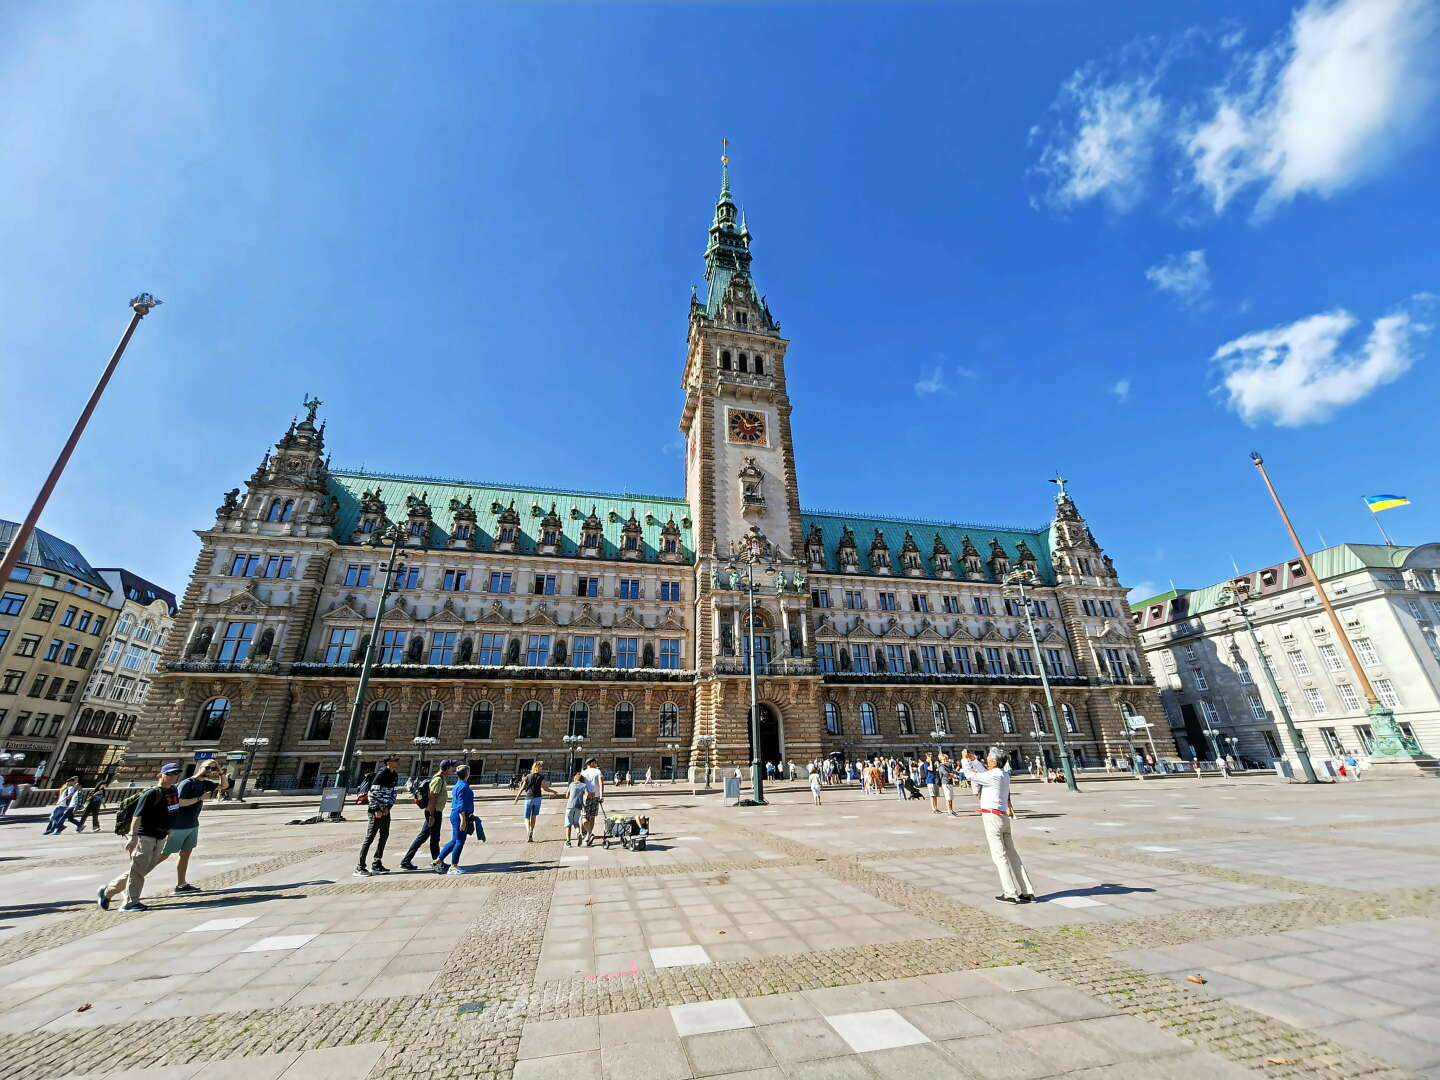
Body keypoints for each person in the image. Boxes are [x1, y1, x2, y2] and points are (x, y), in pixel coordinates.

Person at [98, 763, 202, 912]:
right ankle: (130, 903)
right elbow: (137, 816)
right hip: (145, 836)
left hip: (161, 836)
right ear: (161, 775)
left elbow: (172, 810)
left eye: (175, 775)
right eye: (170, 774)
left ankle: (108, 891)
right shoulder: (151, 793)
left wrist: (169, 829)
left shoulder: (173, 790)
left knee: (142, 869)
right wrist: (133, 837)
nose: (173, 777)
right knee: (138, 870)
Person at [961, 747, 1035, 905]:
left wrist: (965, 760)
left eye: (988, 757)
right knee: (1013, 855)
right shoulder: (1003, 774)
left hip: (992, 818)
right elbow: (984, 772)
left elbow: (970, 775)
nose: (986, 759)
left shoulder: (992, 775)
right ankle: (1027, 891)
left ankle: (1010, 893)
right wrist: (974, 759)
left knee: (999, 857)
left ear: (993, 762)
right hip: (1003, 818)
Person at [158, 758, 228, 893]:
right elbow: (179, 802)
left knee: (185, 854)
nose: (209, 770)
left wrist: (220, 772)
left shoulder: (205, 783)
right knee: (163, 855)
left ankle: (181, 885)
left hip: (192, 825)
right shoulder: (187, 783)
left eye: (212, 769)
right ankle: (134, 877)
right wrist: (200, 798)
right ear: (200, 767)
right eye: (207, 767)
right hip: (178, 826)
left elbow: (224, 786)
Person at [400, 759, 456, 871]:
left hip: (433, 811)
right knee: (434, 839)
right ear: (447, 768)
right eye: (452, 767)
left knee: (422, 837)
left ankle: (406, 861)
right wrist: (431, 816)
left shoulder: (441, 778)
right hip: (433, 812)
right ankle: (437, 862)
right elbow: (432, 798)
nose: (453, 769)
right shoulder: (438, 780)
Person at [355, 754, 400, 877]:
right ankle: (360, 867)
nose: (397, 762)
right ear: (388, 762)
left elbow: (393, 793)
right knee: (370, 838)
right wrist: (376, 809)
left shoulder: (394, 775)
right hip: (376, 812)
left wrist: (388, 807)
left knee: (384, 836)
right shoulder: (381, 774)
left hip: (385, 810)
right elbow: (372, 793)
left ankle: (376, 863)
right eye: (394, 760)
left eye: (397, 760)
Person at [438, 765, 476, 874]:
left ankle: (438, 860)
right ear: (467, 774)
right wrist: (463, 819)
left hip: (456, 814)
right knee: (459, 841)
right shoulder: (463, 786)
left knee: (455, 840)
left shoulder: (458, 785)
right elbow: (461, 804)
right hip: (460, 815)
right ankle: (453, 866)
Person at [513, 761, 560, 842]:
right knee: (534, 816)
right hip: (537, 798)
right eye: (541, 767)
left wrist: (517, 797)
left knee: (526, 817)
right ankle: (531, 831)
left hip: (529, 798)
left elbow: (522, 788)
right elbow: (545, 789)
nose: (542, 768)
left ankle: (528, 831)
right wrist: (553, 791)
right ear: (538, 768)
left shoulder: (528, 776)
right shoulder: (541, 777)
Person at [579, 757, 605, 846]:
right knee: (591, 817)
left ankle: (589, 834)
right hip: (596, 796)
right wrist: (601, 796)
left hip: (586, 796)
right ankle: (589, 834)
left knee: (584, 816)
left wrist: (586, 793)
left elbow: (581, 785)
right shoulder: (597, 771)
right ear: (589, 764)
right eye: (594, 763)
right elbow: (601, 784)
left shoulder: (583, 773)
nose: (596, 764)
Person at [564, 771, 587, 846]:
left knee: (568, 824)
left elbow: (567, 796)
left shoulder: (571, 784)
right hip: (578, 806)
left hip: (570, 806)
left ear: (575, 778)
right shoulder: (584, 785)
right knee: (576, 822)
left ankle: (568, 842)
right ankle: (578, 833)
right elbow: (587, 794)